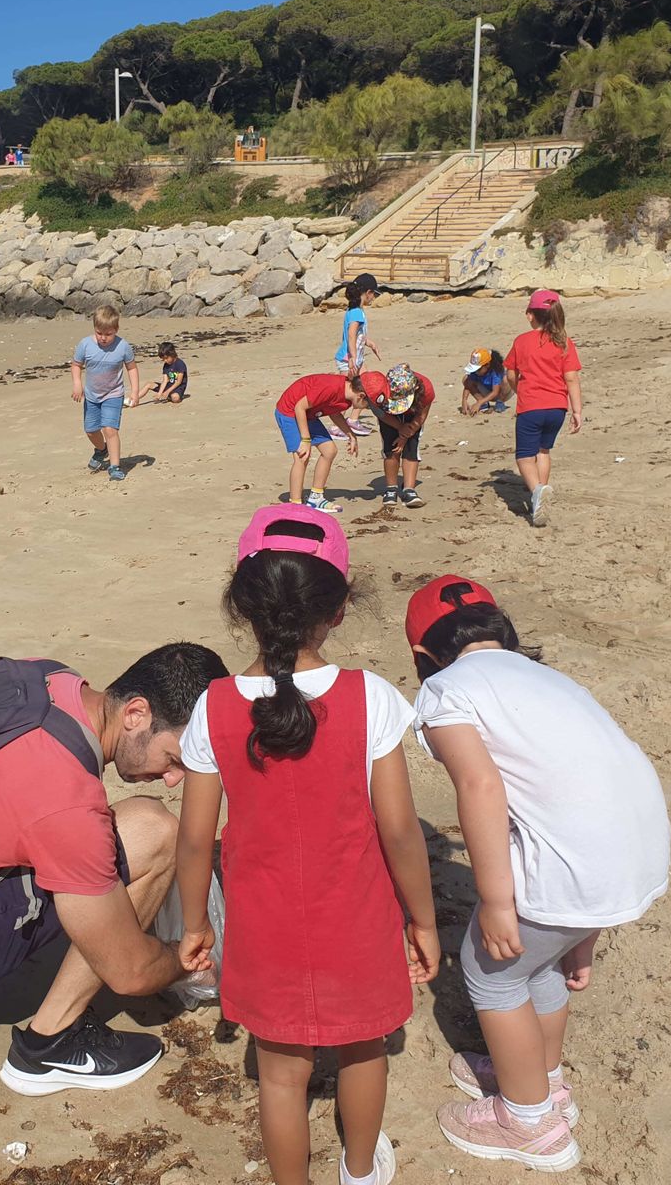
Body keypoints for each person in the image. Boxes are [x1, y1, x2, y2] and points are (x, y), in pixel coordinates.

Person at [176, 505, 439, 1185]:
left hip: (265, 925)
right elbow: (401, 830)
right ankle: (359, 1169)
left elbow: (195, 838)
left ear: (242, 605)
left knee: (281, 1075)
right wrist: (424, 919)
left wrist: (199, 923)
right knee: (362, 1050)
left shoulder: (214, 704)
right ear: (340, 607)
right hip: (356, 917)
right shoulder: (370, 698)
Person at [0, 643, 231, 1095]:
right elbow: (130, 973)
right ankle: (49, 1046)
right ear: (135, 713)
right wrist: (185, 960)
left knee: (49, 844)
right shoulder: (66, 803)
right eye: (173, 759)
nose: (173, 779)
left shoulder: (47, 679)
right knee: (153, 831)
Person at [405, 575, 669, 1173]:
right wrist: (585, 938)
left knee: (489, 970)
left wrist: (496, 900)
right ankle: (542, 1083)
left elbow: (479, 785)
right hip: (637, 848)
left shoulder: (445, 690)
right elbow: (591, 788)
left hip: (579, 862)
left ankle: (527, 1123)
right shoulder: (551, 679)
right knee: (537, 959)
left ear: (423, 656)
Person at [504, 290, 582, 528]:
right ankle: (541, 494)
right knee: (543, 451)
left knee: (524, 457)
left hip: (531, 406)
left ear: (530, 315)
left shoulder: (522, 341)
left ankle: (538, 492)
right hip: (557, 408)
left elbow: (510, 375)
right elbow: (572, 379)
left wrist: (522, 391)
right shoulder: (564, 342)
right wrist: (577, 410)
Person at [274, 372, 365, 514]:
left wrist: (350, 435)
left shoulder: (346, 399)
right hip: (290, 411)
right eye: (366, 405)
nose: (364, 408)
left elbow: (334, 413)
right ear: (361, 396)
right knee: (302, 455)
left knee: (329, 451)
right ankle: (295, 504)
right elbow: (299, 407)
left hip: (308, 414)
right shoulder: (330, 387)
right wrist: (305, 440)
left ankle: (316, 498)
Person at [70, 304, 139, 483]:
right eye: (100, 333)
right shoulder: (85, 344)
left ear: (116, 329)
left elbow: (131, 368)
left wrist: (135, 391)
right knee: (91, 430)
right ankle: (101, 450)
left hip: (113, 395)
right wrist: (77, 383)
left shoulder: (123, 346)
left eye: (108, 334)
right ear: (94, 328)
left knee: (110, 429)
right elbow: (76, 365)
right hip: (92, 396)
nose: (103, 338)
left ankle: (114, 466)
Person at [360, 364, 433, 508]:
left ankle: (409, 489)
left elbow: (421, 416)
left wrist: (406, 435)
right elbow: (380, 414)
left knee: (411, 448)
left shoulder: (427, 389)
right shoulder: (378, 390)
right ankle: (391, 488)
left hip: (414, 416)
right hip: (388, 415)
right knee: (391, 448)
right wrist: (399, 428)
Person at [336, 273, 380, 437]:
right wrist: (353, 357)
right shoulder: (356, 313)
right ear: (367, 292)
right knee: (347, 393)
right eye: (374, 294)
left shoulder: (356, 310)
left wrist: (370, 343)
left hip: (357, 360)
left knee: (366, 386)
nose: (374, 298)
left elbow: (359, 336)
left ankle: (352, 421)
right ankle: (340, 425)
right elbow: (352, 334)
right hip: (349, 360)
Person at [459, 348, 508, 416]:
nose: (476, 372)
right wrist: (464, 400)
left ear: (487, 365)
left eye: (478, 369)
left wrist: (479, 403)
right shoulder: (475, 372)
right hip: (487, 391)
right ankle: (484, 403)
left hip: (502, 393)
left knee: (505, 379)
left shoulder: (496, 371)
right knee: (465, 379)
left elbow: (495, 392)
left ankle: (500, 402)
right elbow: (468, 383)